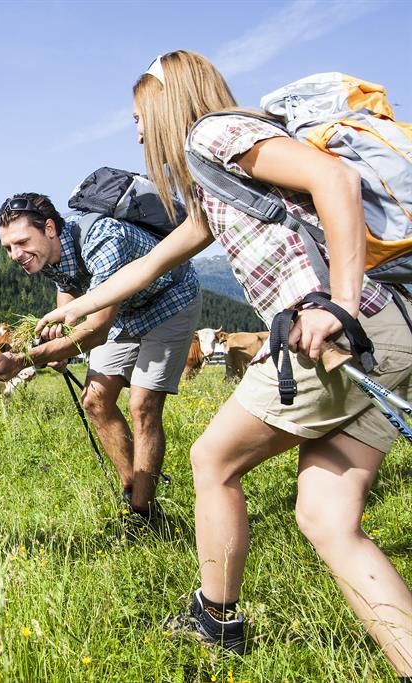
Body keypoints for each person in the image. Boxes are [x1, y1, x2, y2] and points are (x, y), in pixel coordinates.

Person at [37, 50, 412, 674]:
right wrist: (74, 310)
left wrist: (339, 305)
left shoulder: (213, 135)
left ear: (166, 103)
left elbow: (336, 180)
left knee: (212, 460)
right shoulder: (212, 185)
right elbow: (151, 263)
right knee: (326, 517)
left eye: (138, 116)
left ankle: (214, 620)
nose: (137, 132)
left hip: (338, 332)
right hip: (391, 333)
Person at [0, 192, 201, 523]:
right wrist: (60, 344)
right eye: (8, 248)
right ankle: (134, 489)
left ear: (49, 229)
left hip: (170, 301)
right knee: (94, 400)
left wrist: (26, 359)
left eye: (21, 242)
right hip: (126, 311)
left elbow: (97, 331)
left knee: (143, 404)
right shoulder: (48, 254)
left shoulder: (102, 238)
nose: (15, 255)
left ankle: (142, 516)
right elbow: (67, 288)